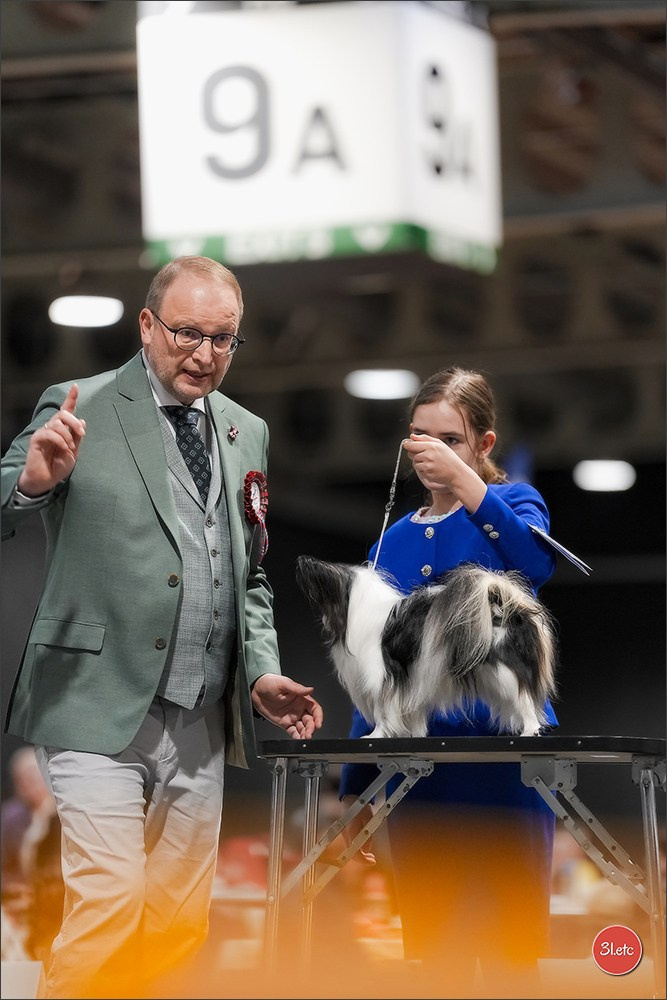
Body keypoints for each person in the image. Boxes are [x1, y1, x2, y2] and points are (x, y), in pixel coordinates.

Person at [0, 255, 323, 999]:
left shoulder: (247, 431)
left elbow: (251, 578)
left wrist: (261, 671)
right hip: (91, 703)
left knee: (180, 924)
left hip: (200, 719)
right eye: (186, 334)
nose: (205, 355)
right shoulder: (83, 400)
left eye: (224, 339)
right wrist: (33, 482)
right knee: (109, 900)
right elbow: (4, 488)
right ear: (146, 325)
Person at [338, 367, 558, 998]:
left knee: (514, 963)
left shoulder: (513, 505)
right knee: (436, 966)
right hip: (419, 782)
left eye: (450, 439)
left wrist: (468, 486)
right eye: (418, 436)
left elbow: (536, 564)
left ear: (484, 444)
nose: (429, 451)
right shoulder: (393, 539)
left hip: (504, 773)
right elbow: (375, 671)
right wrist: (357, 791)